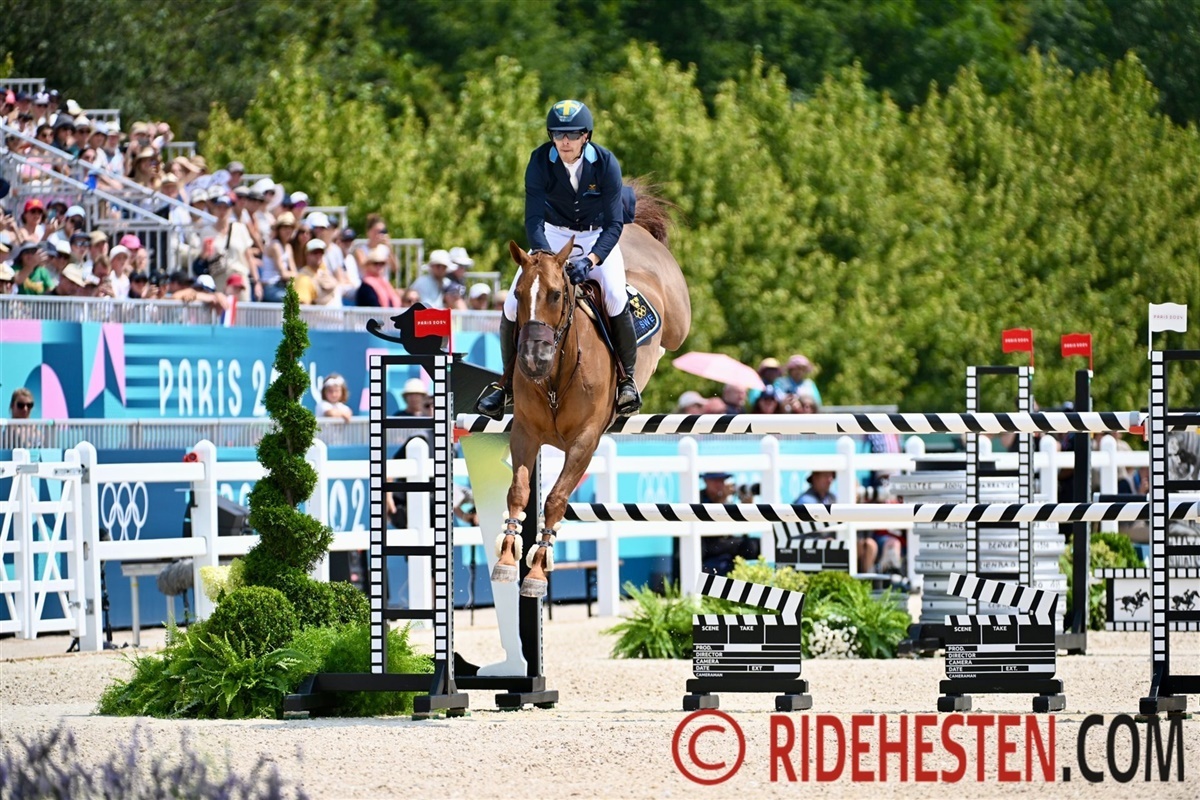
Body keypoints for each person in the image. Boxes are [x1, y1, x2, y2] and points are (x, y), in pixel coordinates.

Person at [477, 99, 640, 419]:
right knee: (511, 304)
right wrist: (546, 261)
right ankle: (506, 384)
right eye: (558, 134)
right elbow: (533, 219)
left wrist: (590, 261)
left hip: (595, 237)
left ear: (586, 136)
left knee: (615, 296)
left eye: (573, 134)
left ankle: (626, 381)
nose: (565, 141)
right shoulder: (540, 161)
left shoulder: (606, 163)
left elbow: (614, 224)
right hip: (551, 238)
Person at [698, 472, 760, 575]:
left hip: (723, 544)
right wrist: (722, 500)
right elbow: (714, 525)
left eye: (722, 481)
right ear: (706, 481)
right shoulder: (698, 498)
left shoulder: (726, 500)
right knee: (748, 545)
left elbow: (738, 526)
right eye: (716, 481)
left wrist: (746, 505)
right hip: (707, 545)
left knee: (756, 544)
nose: (719, 485)